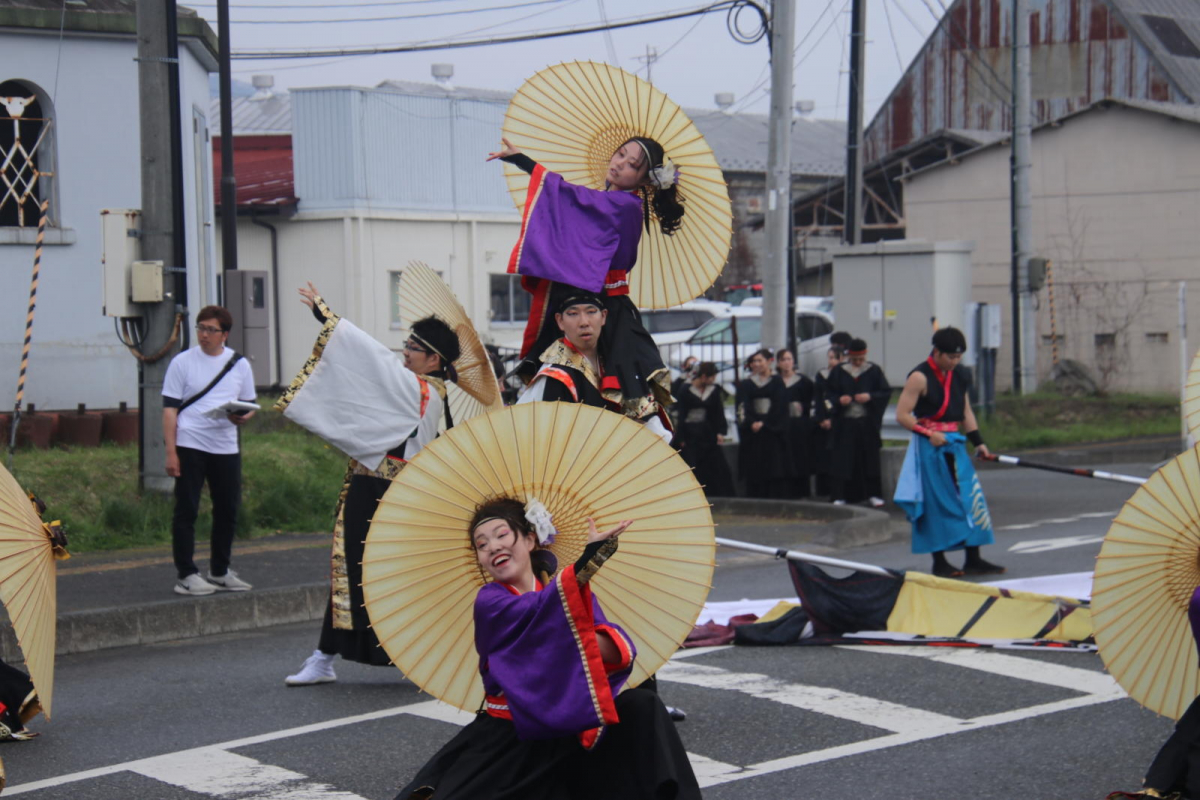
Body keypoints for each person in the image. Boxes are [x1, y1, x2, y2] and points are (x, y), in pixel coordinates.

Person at [395, 497, 701, 800]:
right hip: (514, 740)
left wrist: (568, 637)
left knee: (642, 705)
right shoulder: (491, 601)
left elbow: (612, 652)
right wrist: (580, 576)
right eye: (482, 545)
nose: (493, 547)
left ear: (530, 540)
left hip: (572, 729)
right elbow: (541, 614)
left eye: (502, 535)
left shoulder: (565, 596)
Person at [280, 284, 462, 685]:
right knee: (348, 571)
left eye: (414, 347)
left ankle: (415, 655)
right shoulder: (417, 388)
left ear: (434, 359)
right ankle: (324, 656)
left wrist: (330, 320)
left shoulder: (427, 392)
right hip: (370, 490)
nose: (405, 352)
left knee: (391, 577)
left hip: (394, 496)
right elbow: (377, 370)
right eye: (407, 343)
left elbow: (372, 362)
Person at [487, 136, 683, 425]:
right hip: (590, 301)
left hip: (608, 307)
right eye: (620, 154)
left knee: (624, 397)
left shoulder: (625, 205)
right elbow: (575, 205)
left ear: (644, 180)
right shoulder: (612, 202)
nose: (619, 164)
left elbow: (569, 196)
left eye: (632, 165)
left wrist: (523, 161)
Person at [162, 305, 257, 596]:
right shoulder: (182, 362)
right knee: (187, 508)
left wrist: (241, 416)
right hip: (190, 441)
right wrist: (171, 452)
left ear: (224, 335)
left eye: (211, 330)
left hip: (225, 444)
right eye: (201, 328)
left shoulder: (239, 364)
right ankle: (186, 574)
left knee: (228, 508)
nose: (204, 335)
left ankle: (219, 570)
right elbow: (169, 411)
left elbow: (249, 402)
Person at [894, 327, 1003, 577]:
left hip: (954, 442)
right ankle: (939, 561)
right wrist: (928, 434)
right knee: (937, 504)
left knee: (970, 498)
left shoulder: (960, 375)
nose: (954, 362)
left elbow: (966, 411)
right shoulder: (919, 377)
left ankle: (973, 558)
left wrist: (978, 442)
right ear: (937, 351)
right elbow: (902, 415)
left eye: (958, 357)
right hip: (930, 445)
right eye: (950, 357)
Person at [517, 289, 671, 442]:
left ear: (603, 316)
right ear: (560, 321)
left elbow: (653, 431)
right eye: (573, 313)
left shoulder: (618, 364)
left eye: (591, 312)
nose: (584, 322)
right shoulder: (556, 376)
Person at [824, 339, 890, 507]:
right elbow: (828, 395)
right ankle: (840, 495)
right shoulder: (839, 371)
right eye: (855, 359)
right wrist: (839, 400)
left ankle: (873, 493)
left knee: (870, 459)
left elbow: (885, 392)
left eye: (861, 359)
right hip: (845, 422)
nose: (858, 362)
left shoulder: (873, 371)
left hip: (866, 422)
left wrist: (870, 397)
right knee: (843, 459)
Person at [736, 349, 794, 498]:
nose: (756, 364)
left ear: (769, 362)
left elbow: (780, 406)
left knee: (774, 463)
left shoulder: (777, 382)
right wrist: (752, 422)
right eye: (754, 361)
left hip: (771, 429)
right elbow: (743, 405)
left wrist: (765, 423)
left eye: (760, 360)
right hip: (753, 430)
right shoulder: (747, 384)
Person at [673, 361, 735, 497]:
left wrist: (720, 431)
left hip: (707, 432)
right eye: (711, 376)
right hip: (691, 433)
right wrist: (681, 437)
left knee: (715, 465)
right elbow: (681, 414)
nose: (713, 380)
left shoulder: (713, 390)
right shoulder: (685, 390)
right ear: (704, 376)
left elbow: (717, 412)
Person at [777, 347, 815, 498]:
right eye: (783, 359)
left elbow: (810, 402)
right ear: (778, 363)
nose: (787, 363)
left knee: (800, 456)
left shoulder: (803, 381)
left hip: (799, 424)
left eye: (789, 359)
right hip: (781, 424)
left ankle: (802, 491)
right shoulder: (775, 381)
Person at [812, 345, 846, 498]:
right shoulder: (822, 375)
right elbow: (818, 398)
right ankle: (823, 489)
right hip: (824, 418)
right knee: (822, 455)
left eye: (835, 358)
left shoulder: (845, 375)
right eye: (830, 357)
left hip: (838, 420)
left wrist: (834, 419)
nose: (831, 361)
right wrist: (821, 419)